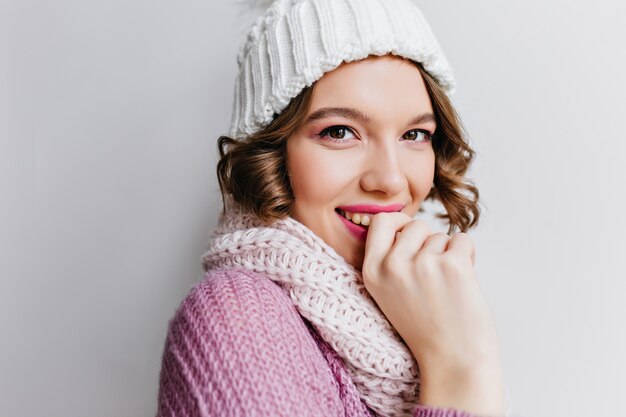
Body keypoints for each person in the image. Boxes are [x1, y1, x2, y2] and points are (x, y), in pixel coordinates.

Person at [155, 0, 511, 416]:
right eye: (340, 132)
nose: (391, 180)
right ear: (271, 155)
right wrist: (458, 364)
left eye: (414, 134)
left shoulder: (420, 305)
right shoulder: (237, 317)